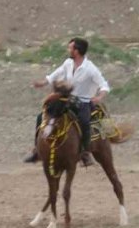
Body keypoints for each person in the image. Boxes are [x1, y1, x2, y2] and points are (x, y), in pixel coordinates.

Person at [24, 37, 110, 167]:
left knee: (84, 122)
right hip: (67, 99)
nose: (68, 50)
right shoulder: (68, 63)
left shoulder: (90, 69)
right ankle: (37, 150)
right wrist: (42, 83)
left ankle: (85, 153)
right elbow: (55, 74)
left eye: (70, 48)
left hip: (83, 102)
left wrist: (99, 97)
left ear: (77, 51)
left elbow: (104, 85)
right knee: (41, 116)